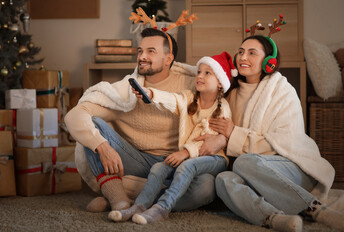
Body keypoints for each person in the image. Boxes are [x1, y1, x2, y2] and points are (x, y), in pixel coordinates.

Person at [64, 28, 227, 213]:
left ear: (168, 59)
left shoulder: (192, 84)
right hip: (137, 160)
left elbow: (219, 102)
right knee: (92, 126)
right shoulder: (125, 91)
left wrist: (222, 137)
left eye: (151, 51)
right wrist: (102, 146)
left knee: (206, 187)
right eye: (140, 51)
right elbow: (75, 115)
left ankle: (128, 198)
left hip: (177, 163)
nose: (142, 56)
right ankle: (119, 200)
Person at [210, 35, 343, 232]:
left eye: (251, 53)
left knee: (245, 162)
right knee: (223, 180)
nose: (243, 57)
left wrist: (234, 133)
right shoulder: (231, 94)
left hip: (292, 167)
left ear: (268, 61)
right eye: (240, 52)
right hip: (254, 174)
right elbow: (197, 72)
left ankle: (314, 209)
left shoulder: (282, 91)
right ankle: (272, 218)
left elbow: (283, 145)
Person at [108, 51, 234, 224]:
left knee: (186, 167)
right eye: (198, 72)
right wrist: (151, 94)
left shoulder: (222, 109)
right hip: (190, 156)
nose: (200, 76)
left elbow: (208, 143)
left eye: (207, 73)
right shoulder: (189, 98)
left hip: (214, 157)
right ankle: (138, 207)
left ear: (220, 83)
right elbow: (172, 100)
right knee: (159, 167)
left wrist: (185, 153)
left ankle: (162, 208)